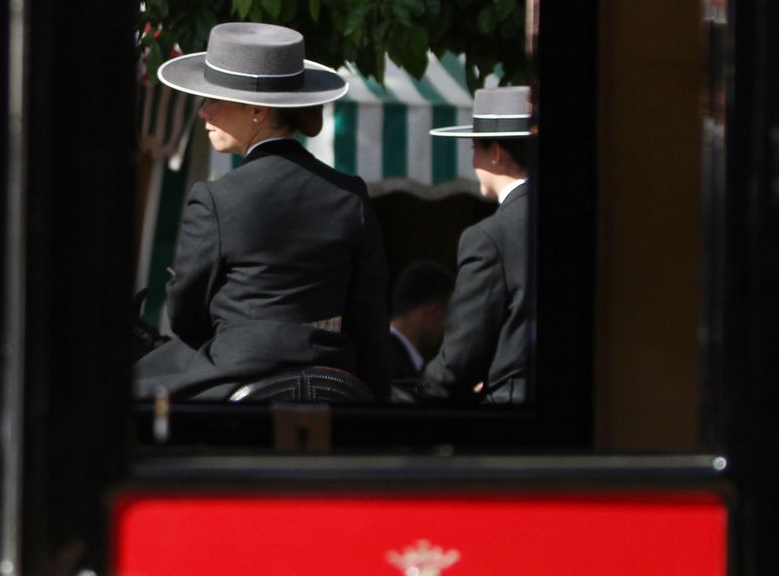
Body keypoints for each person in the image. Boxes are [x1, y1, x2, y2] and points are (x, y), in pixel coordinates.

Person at [134, 22, 392, 401]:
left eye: (214, 100)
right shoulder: (349, 194)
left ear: (257, 109)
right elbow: (369, 319)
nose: (203, 112)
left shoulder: (215, 198)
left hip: (235, 371)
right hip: (335, 375)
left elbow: (186, 317)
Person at [419, 85, 536, 405]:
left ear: (496, 153)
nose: (472, 160)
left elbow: (461, 357)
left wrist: (420, 392)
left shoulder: (489, 236)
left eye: (474, 148)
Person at [387, 260, 455, 400]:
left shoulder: (379, 354)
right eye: (450, 315)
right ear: (435, 312)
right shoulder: (391, 364)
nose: (448, 327)